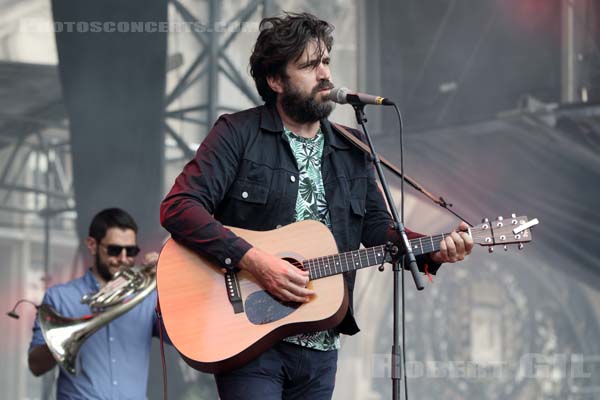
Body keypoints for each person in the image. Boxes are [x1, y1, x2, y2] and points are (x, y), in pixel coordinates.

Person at [160, 12, 473, 400]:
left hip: (321, 346)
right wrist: (254, 260)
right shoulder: (237, 134)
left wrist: (433, 248)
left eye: (325, 61)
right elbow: (178, 207)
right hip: (250, 339)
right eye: (309, 65)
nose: (325, 74)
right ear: (276, 81)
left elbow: (377, 227)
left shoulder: (352, 147)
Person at [28, 208, 164, 400]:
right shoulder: (59, 297)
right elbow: (36, 366)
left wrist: (169, 281)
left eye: (131, 251)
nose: (124, 259)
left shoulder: (148, 297)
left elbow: (182, 338)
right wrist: (62, 342)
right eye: (114, 250)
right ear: (92, 245)